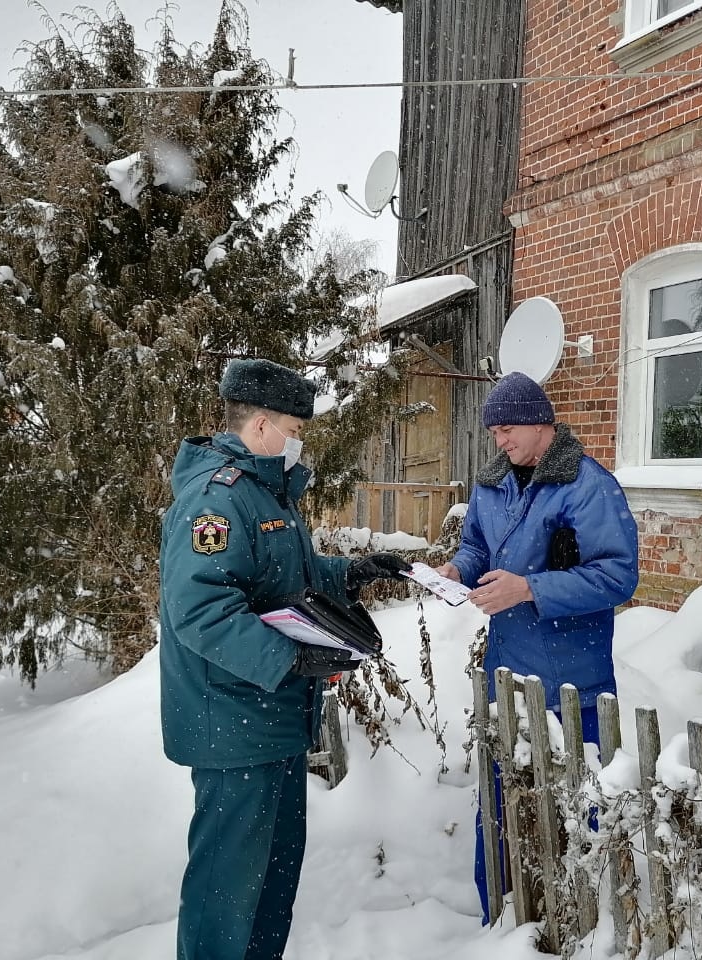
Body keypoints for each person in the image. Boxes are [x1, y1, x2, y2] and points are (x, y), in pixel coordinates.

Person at [158, 357, 410, 960]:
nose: (300, 442)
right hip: (233, 724)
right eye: (296, 429)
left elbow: (285, 579)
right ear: (264, 425)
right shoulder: (215, 502)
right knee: (226, 891)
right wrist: (289, 659)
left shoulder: (265, 495)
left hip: (272, 721)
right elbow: (201, 610)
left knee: (271, 883)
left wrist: (353, 573)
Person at [435, 371, 640, 923]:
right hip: (508, 672)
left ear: (539, 421)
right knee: (502, 808)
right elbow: (477, 545)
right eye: (494, 432)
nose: (500, 442)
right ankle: (498, 919)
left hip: (576, 681)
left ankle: (582, 926)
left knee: (578, 809)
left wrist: (530, 588)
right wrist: (459, 567)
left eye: (506, 429)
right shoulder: (492, 482)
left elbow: (618, 577)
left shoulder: (587, 485)